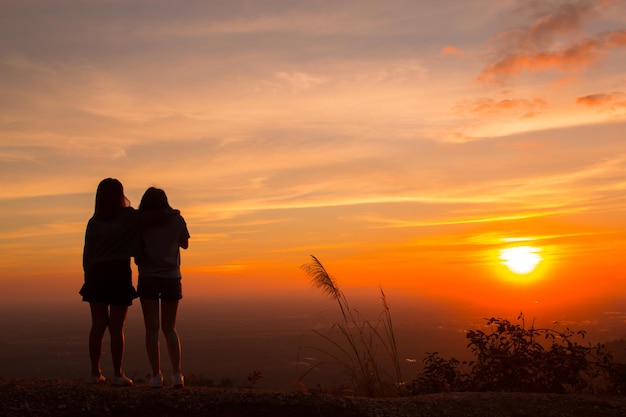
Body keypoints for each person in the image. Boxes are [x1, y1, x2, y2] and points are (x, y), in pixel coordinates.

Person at [80, 178, 137, 386]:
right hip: (119, 273)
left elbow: (87, 254)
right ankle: (118, 374)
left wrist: (88, 276)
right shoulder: (128, 217)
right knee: (116, 326)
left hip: (96, 274)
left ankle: (95, 373)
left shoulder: (94, 222)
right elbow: (149, 218)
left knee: (97, 324)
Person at [136, 187, 190, 388]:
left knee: (152, 329)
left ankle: (156, 376)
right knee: (170, 328)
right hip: (171, 277)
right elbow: (185, 244)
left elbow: (137, 249)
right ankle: (177, 374)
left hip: (148, 276)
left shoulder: (141, 223)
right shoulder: (177, 219)